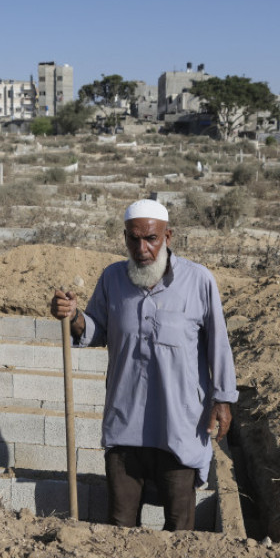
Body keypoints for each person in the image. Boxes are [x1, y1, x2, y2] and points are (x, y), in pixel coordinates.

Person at [50, 199, 238, 531]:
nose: (142, 249)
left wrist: (222, 400)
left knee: (180, 527)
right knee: (120, 525)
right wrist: (74, 317)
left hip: (179, 424)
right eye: (133, 239)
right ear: (124, 237)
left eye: (150, 238)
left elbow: (218, 345)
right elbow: (96, 330)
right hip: (125, 424)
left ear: (168, 236)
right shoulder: (112, 279)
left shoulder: (199, 282)